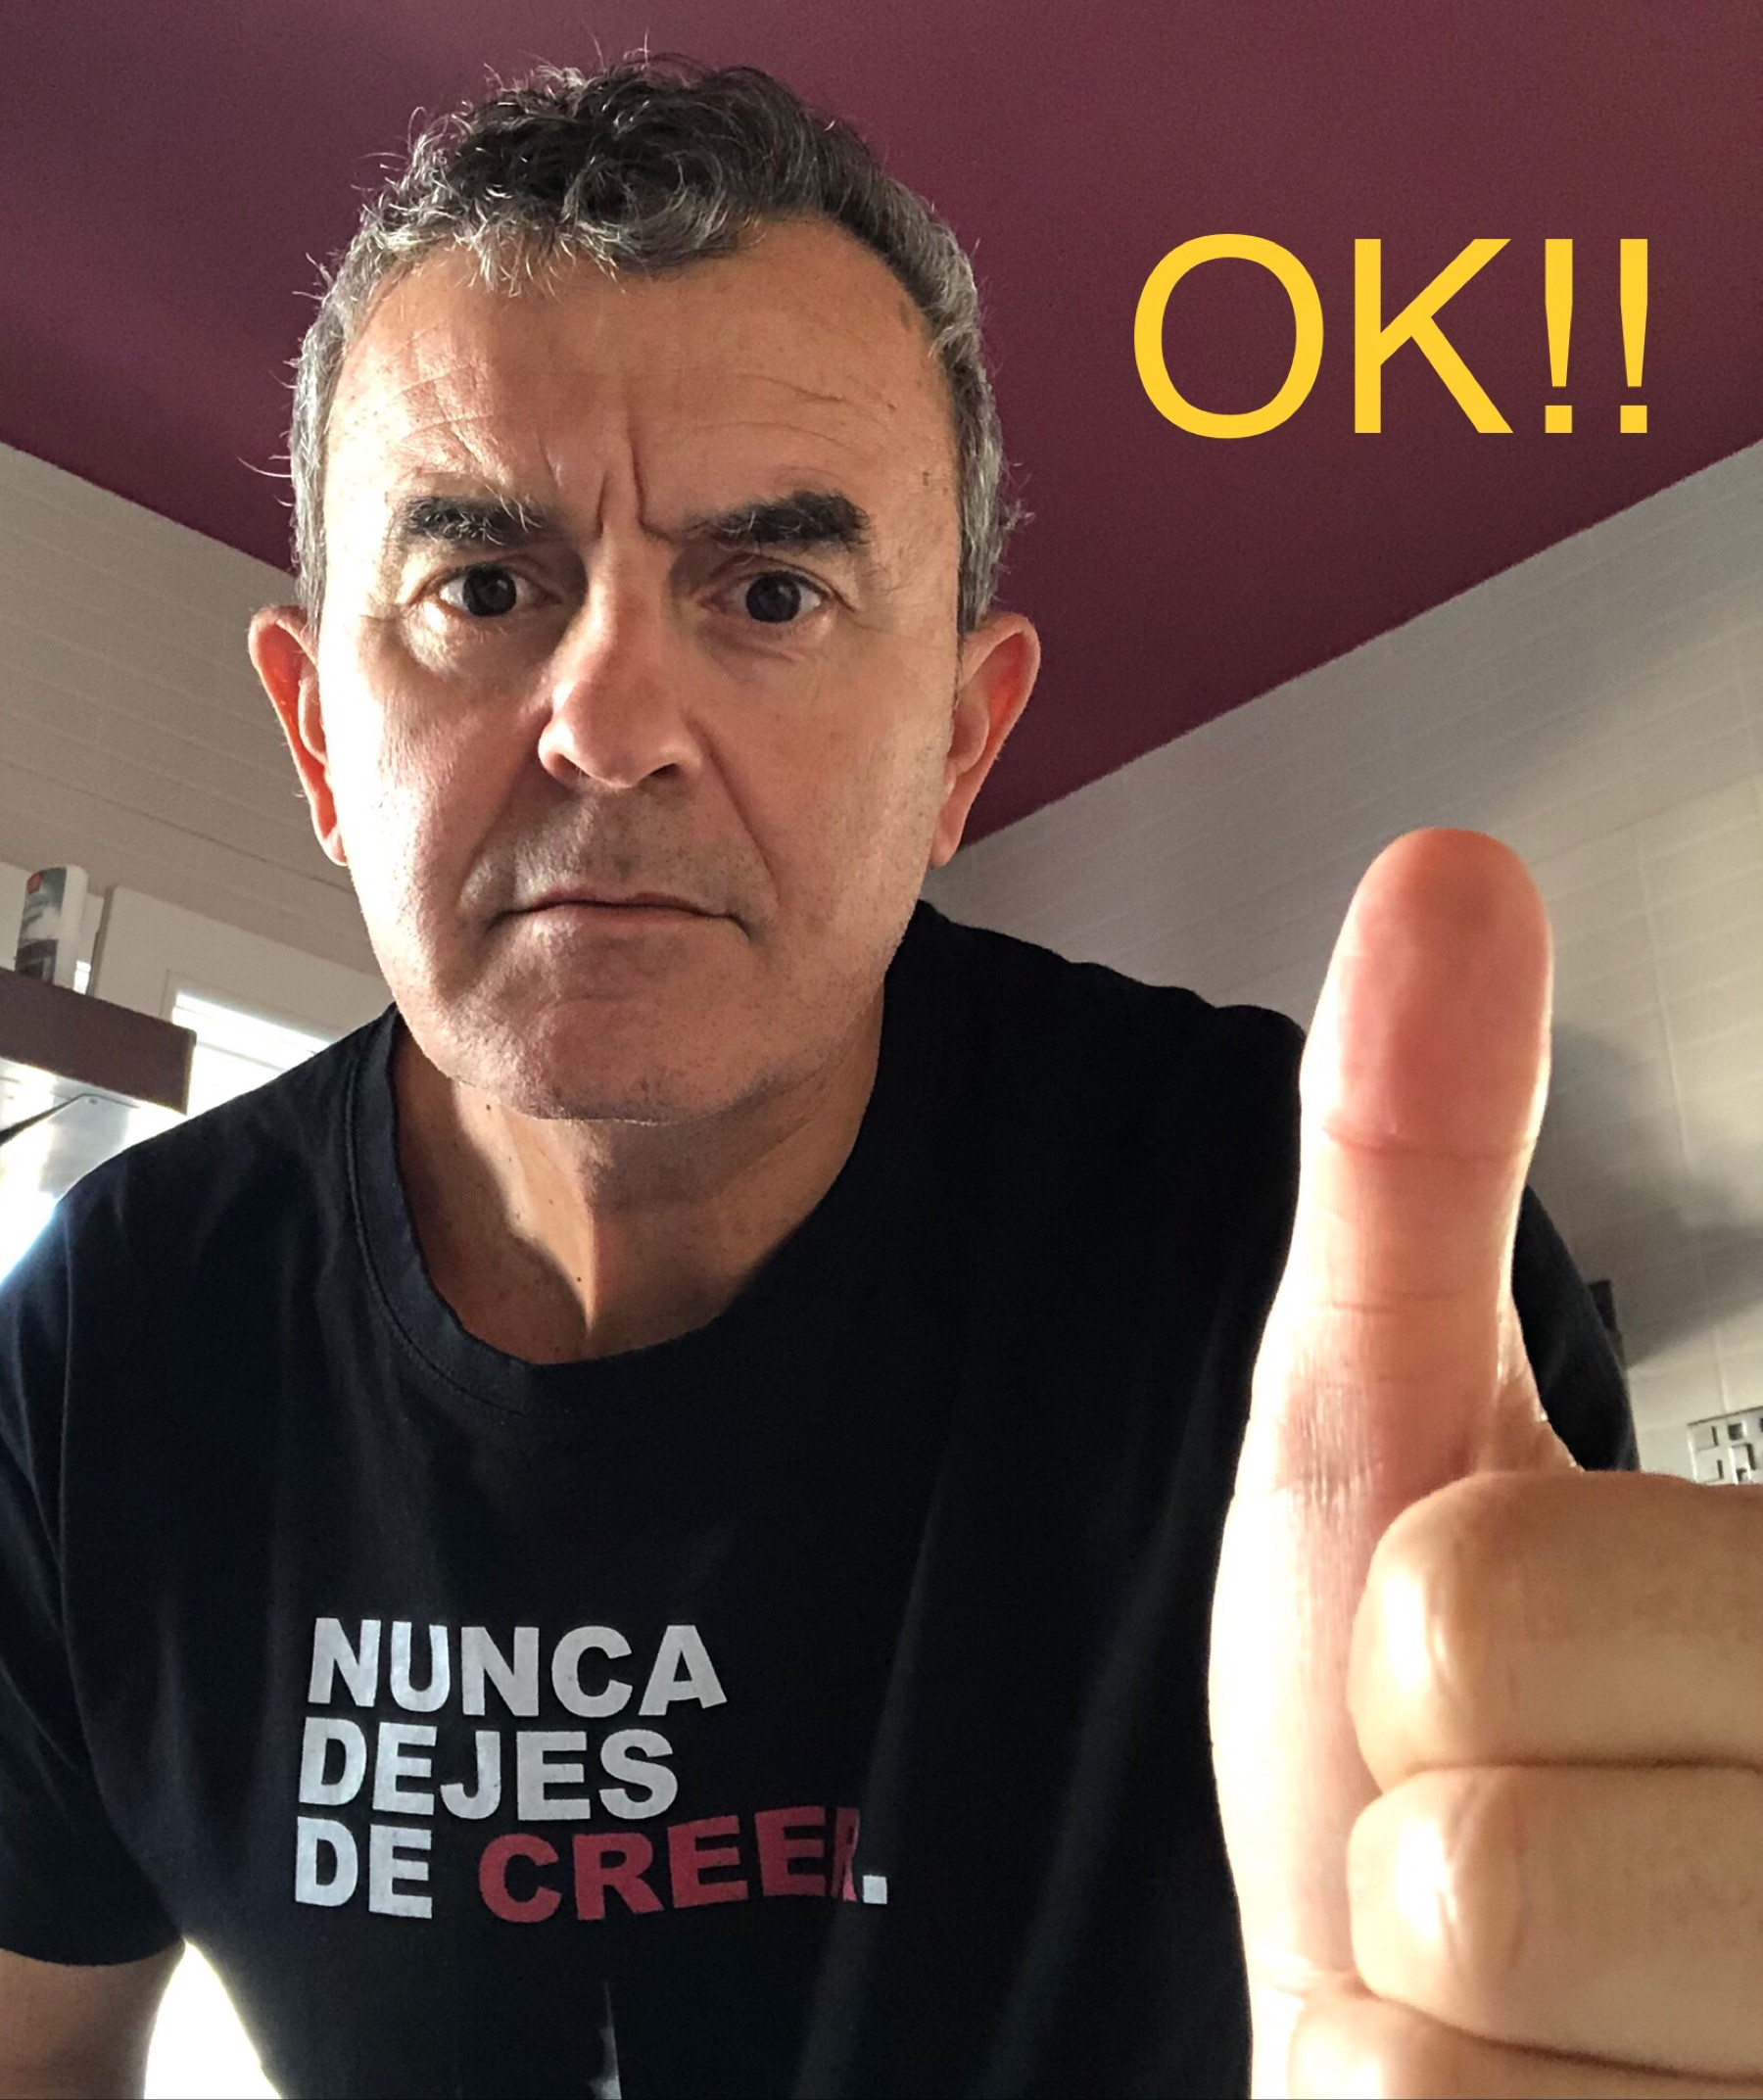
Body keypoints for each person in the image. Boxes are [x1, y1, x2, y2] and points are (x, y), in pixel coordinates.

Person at [0, 58, 1747, 2100]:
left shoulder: (1315, 1279)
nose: (609, 723)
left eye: (771, 591)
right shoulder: (104, 1352)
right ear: (318, 738)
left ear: (958, 749)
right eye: (483, 586)